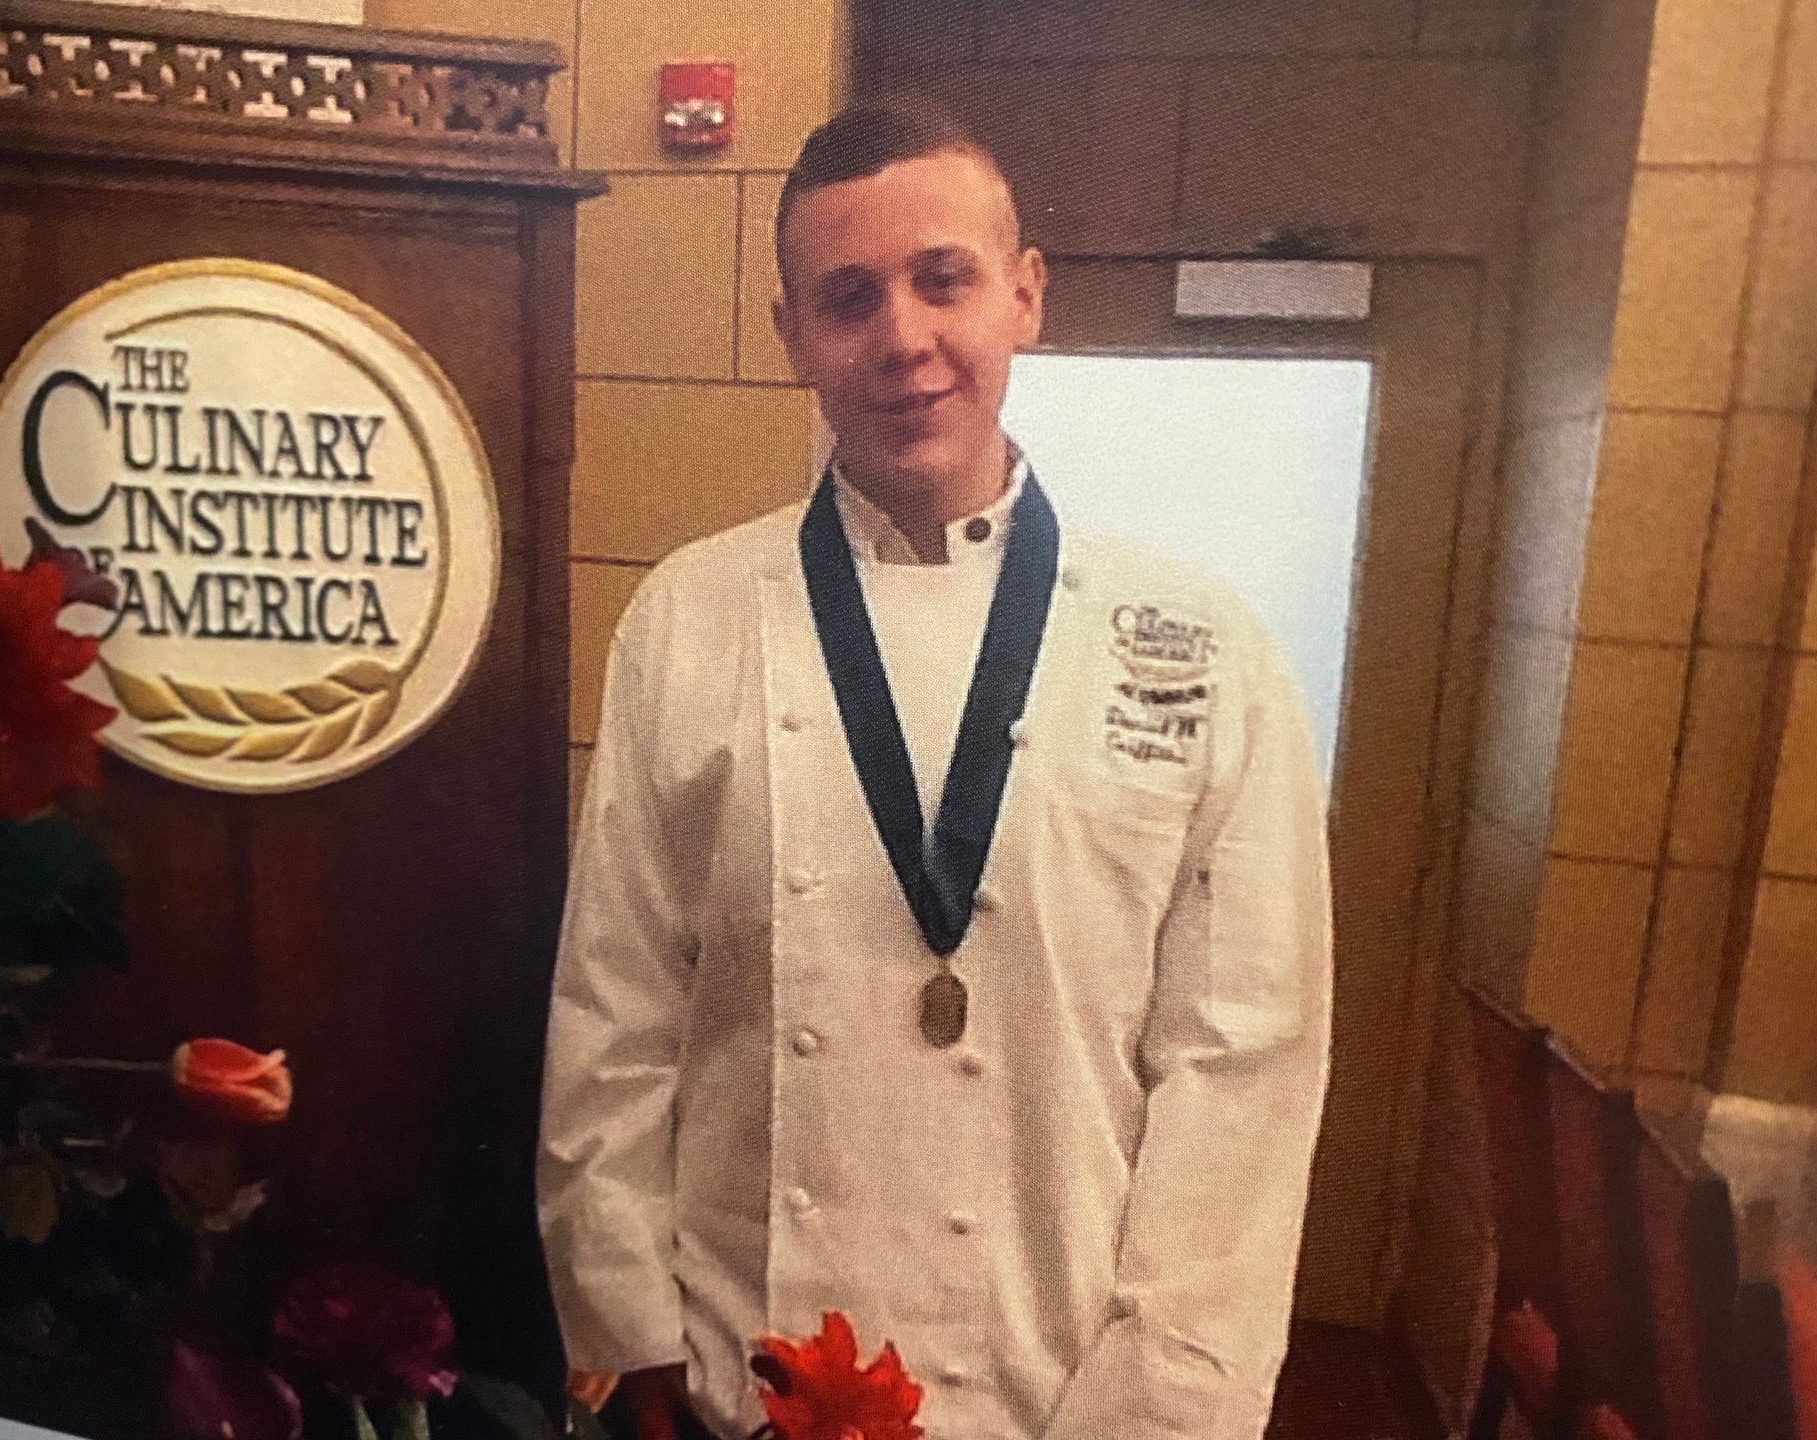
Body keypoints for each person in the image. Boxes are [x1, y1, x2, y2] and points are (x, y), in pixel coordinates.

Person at [536, 101, 1334, 1440]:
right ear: (793, 335)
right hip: (749, 1385)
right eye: (849, 298)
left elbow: (1240, 1073)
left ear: (1024, 295)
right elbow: (618, 1015)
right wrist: (635, 1340)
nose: (903, 337)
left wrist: (1158, 1410)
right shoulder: (691, 616)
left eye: (943, 279)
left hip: (1069, 1397)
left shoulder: (1201, 650)